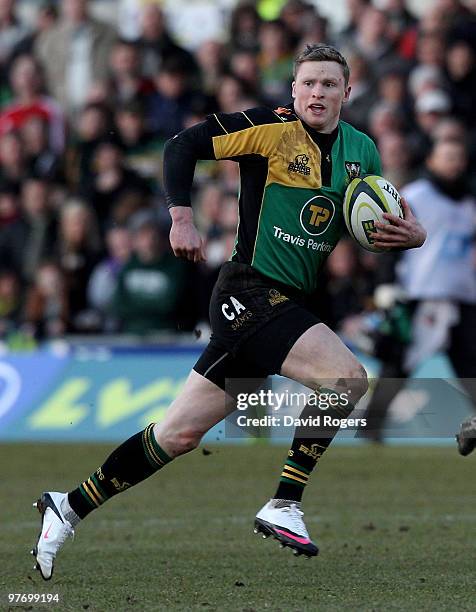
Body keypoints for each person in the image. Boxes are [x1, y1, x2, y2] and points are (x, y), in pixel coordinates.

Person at [31, 44, 425, 580]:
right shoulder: (269, 128)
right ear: (293, 89)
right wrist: (181, 217)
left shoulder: (363, 151)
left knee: (177, 435)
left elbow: (379, 218)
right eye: (308, 83)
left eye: (329, 85)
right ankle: (285, 501)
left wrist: (412, 233)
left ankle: (67, 507)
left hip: (285, 304)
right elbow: (182, 144)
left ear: (347, 93)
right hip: (247, 290)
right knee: (347, 377)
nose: (317, 93)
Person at [360, 138, 476, 453]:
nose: (454, 163)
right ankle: (371, 426)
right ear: (433, 161)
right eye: (448, 156)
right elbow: (390, 238)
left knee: (470, 366)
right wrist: (386, 284)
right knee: (399, 364)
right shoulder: (415, 196)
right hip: (422, 293)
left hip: (462, 296)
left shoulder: (468, 202)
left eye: (458, 157)